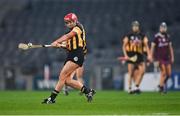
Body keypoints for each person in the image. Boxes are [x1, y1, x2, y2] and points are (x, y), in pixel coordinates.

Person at [42, 13, 95, 104]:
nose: (70, 24)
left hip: (77, 55)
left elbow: (68, 37)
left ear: (76, 21)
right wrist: (59, 45)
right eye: (67, 22)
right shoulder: (70, 32)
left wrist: (56, 41)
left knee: (62, 75)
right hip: (71, 54)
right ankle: (88, 91)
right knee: (67, 80)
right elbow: (68, 46)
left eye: (71, 22)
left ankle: (52, 98)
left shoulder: (78, 28)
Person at [122, 21, 151, 94]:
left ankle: (136, 86)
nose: (135, 27)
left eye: (136, 26)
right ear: (132, 27)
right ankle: (129, 88)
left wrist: (149, 54)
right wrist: (126, 55)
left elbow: (146, 45)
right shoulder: (129, 35)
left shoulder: (142, 35)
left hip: (139, 56)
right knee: (130, 73)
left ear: (138, 27)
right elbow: (124, 46)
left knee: (143, 71)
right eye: (134, 26)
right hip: (131, 55)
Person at [151, 22, 174, 94]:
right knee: (163, 72)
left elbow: (170, 48)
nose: (163, 28)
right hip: (159, 58)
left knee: (169, 74)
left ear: (166, 28)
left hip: (167, 58)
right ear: (160, 28)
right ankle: (161, 88)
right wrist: (151, 57)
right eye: (162, 27)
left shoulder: (167, 36)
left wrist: (172, 57)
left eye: (164, 27)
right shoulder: (156, 37)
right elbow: (152, 47)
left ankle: (161, 85)